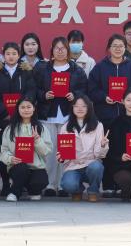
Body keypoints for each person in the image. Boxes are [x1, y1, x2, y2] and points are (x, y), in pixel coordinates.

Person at [35, 37, 89, 197]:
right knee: (50, 151)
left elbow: (84, 90)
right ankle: (50, 184)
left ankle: (63, 184)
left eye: (63, 48)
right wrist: (44, 95)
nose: (60, 51)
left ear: (68, 50)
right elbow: (34, 88)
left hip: (68, 116)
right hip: (47, 115)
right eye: (57, 48)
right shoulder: (43, 68)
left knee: (66, 150)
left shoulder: (77, 70)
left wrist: (75, 95)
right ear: (52, 50)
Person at [0, 42, 37, 196]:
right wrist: (4, 112)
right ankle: (5, 183)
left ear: (19, 55)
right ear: (3, 56)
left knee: (21, 149)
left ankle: (19, 183)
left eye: (14, 54)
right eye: (8, 54)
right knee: (4, 151)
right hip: (2, 118)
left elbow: (31, 92)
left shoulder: (26, 71)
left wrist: (20, 111)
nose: (11, 57)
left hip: (22, 118)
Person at [0, 96, 52, 202]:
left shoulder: (41, 128)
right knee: (21, 169)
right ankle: (15, 192)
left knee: (40, 181)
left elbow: (46, 151)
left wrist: (37, 140)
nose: (26, 110)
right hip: (17, 166)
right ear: (18, 109)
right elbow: (3, 151)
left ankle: (33, 191)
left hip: (36, 167)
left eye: (28, 107)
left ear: (34, 108)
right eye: (22, 107)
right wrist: (10, 158)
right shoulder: (10, 128)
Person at [58, 96, 109, 202]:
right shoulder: (65, 127)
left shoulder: (98, 125)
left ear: (89, 108)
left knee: (96, 167)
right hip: (73, 166)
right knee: (68, 185)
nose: (80, 109)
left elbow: (99, 155)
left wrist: (103, 145)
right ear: (72, 108)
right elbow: (63, 154)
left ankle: (93, 191)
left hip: (90, 164)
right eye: (76, 106)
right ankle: (77, 190)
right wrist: (61, 157)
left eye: (83, 106)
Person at [88, 34, 131, 130]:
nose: (118, 49)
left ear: (125, 48)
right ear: (109, 48)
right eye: (115, 46)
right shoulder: (100, 67)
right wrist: (104, 97)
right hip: (104, 116)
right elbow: (91, 89)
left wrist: (128, 99)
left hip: (127, 116)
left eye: (121, 46)